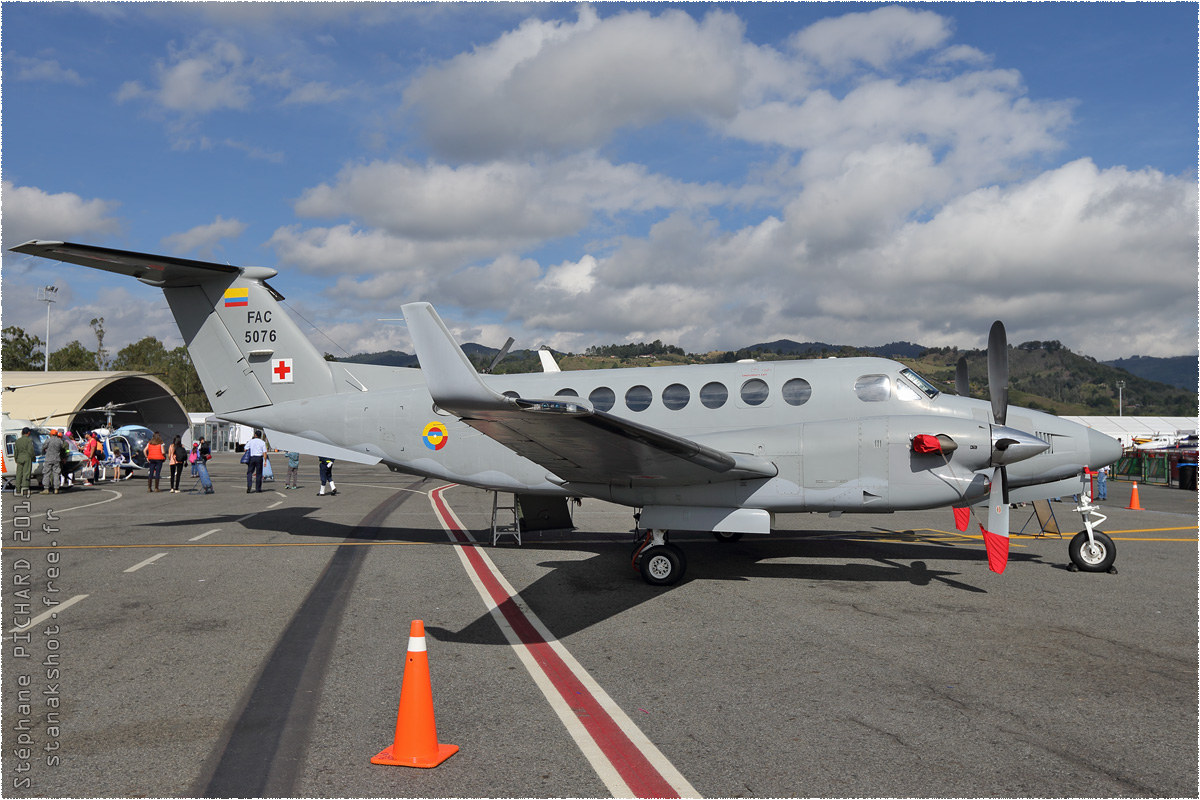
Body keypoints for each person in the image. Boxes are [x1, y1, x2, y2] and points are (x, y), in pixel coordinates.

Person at [40, 429, 66, 494]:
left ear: (51, 434)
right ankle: (56, 488)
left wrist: (44, 451)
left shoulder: (48, 440)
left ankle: (46, 489)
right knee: (56, 473)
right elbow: (62, 449)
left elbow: (43, 447)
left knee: (46, 473)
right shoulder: (59, 441)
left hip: (48, 459)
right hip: (57, 459)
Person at [12, 427, 35, 497]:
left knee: (19, 474)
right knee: (26, 473)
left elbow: (15, 451)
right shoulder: (29, 440)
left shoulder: (17, 441)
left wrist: (16, 458)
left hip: (19, 457)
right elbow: (30, 450)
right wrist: (33, 458)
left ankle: (18, 489)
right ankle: (25, 489)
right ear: (28, 433)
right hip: (27, 457)